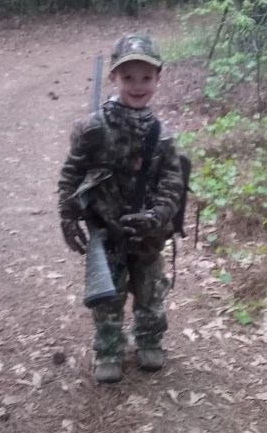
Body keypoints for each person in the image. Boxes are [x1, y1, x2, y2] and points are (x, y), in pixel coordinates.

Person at [58, 35, 185, 383]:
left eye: (146, 77)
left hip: (148, 235)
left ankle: (149, 341)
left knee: (150, 293)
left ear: (158, 79)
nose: (137, 86)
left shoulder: (162, 137)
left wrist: (157, 216)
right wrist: (68, 215)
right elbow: (71, 174)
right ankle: (109, 349)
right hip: (107, 233)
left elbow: (172, 184)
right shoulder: (92, 129)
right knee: (107, 298)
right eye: (128, 77)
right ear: (114, 78)